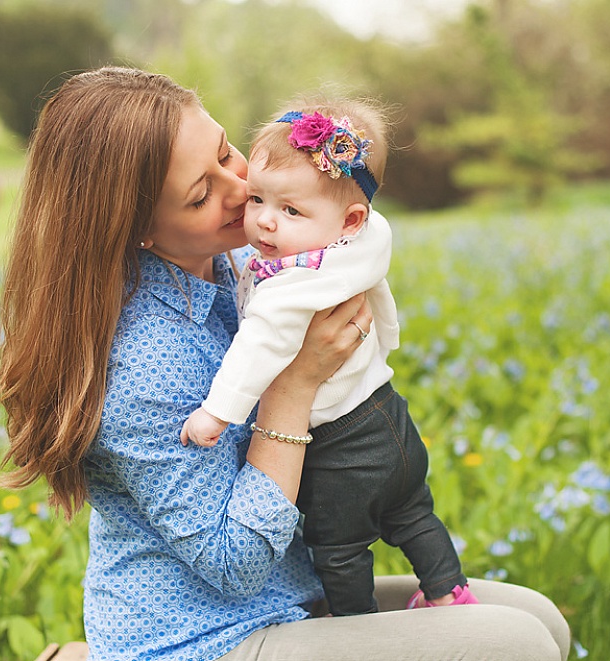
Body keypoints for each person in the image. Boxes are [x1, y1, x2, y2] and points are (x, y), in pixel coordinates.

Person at [0, 66, 570, 661]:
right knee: (514, 646)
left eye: (226, 152)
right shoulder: (140, 363)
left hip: (295, 593)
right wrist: (295, 387)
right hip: (205, 638)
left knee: (539, 619)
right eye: (201, 193)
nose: (240, 190)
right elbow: (235, 564)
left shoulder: (238, 254)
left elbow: (360, 227)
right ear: (135, 229)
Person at [180, 99, 475, 616]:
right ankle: (448, 591)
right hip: (390, 419)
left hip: (340, 448)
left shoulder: (291, 288)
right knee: (412, 512)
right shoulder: (361, 240)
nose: (266, 224)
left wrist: (218, 412)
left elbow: (258, 348)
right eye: (258, 200)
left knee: (339, 551)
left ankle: (353, 628)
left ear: (348, 218)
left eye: (291, 211)